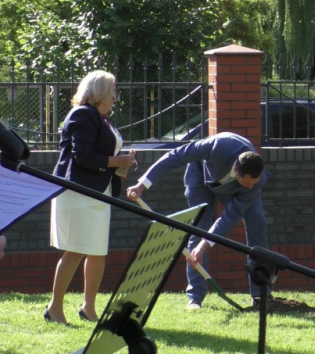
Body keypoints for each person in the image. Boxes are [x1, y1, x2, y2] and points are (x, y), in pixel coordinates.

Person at [126, 132, 270, 309]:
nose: (250, 186)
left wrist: (206, 245)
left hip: (233, 190)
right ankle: (195, 297)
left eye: (253, 183)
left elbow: (229, 218)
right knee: (198, 231)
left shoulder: (254, 183)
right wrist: (142, 184)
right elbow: (175, 156)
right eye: (247, 182)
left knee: (258, 227)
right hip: (201, 179)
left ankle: (260, 295)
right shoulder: (216, 146)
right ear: (237, 169)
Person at [46, 70, 137, 324]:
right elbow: (82, 156)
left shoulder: (101, 118)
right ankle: (54, 308)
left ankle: (89, 307)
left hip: (99, 192)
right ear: (99, 92)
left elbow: (103, 155)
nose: (114, 97)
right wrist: (117, 160)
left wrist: (123, 164)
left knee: (97, 251)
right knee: (75, 250)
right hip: (78, 192)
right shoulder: (82, 114)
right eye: (112, 91)